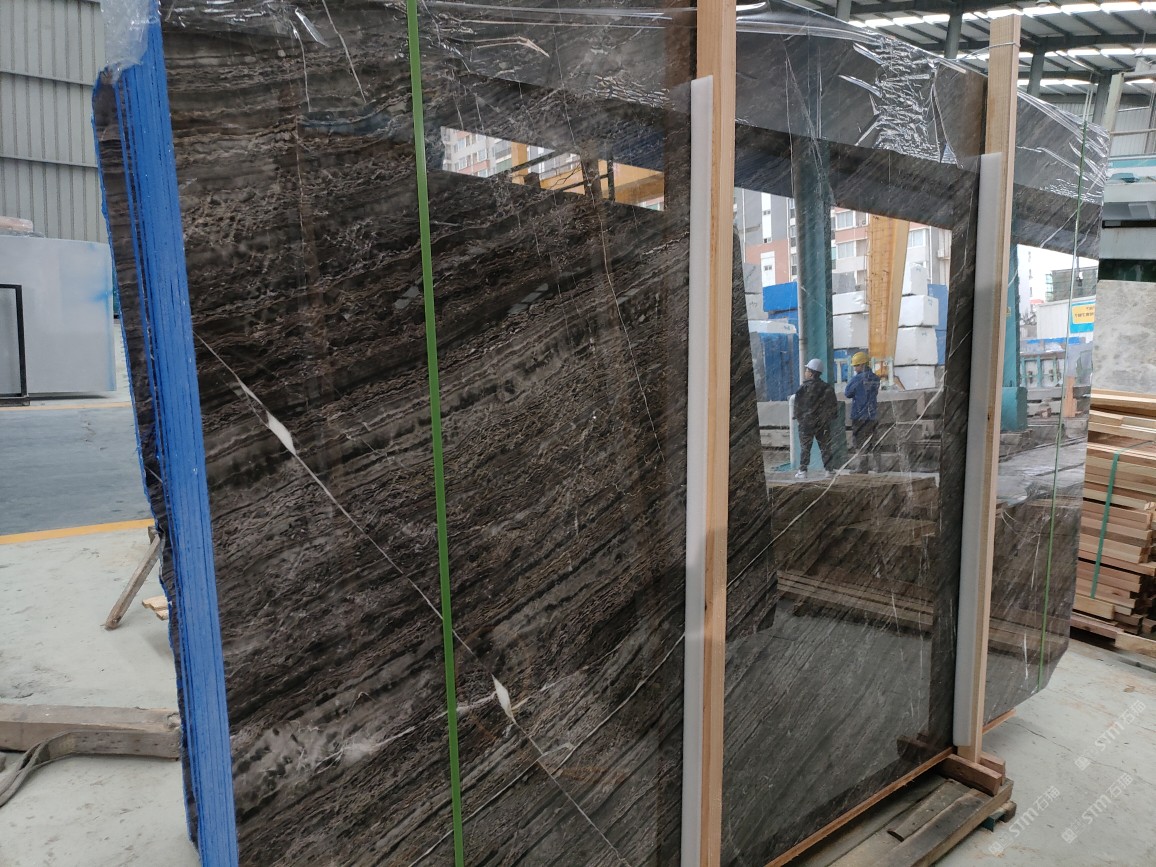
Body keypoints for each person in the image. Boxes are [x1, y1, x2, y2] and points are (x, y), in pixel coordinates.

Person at [793, 358, 838, 478]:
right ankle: (829, 470)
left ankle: (803, 471)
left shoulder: (803, 388)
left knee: (805, 448)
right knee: (825, 447)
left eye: (807, 370)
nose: (805, 372)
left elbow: (797, 408)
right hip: (822, 424)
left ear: (812, 373)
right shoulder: (827, 388)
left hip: (806, 424)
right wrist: (826, 419)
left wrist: (801, 420)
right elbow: (833, 407)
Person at [845, 351, 880, 456]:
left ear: (863, 364)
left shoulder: (857, 379)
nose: (855, 369)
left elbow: (848, 393)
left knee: (860, 443)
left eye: (856, 366)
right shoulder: (875, 378)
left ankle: (862, 463)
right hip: (872, 415)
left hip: (859, 416)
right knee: (874, 442)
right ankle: (878, 464)